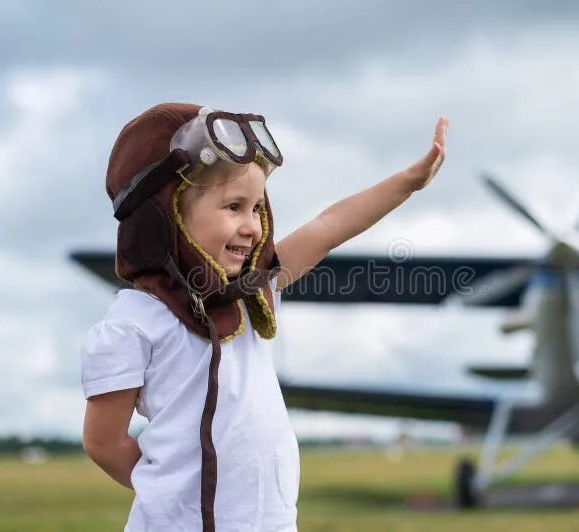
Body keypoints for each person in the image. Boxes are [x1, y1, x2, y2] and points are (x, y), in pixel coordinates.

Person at [79, 102, 448, 531]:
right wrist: (171, 492)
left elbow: (328, 227)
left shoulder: (250, 298)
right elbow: (103, 441)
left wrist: (408, 183)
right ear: (168, 214)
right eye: (234, 207)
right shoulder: (133, 323)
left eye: (257, 208)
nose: (253, 226)